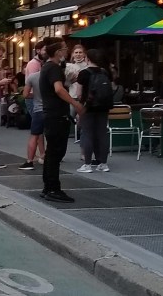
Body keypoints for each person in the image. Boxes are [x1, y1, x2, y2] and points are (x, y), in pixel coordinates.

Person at [39, 38, 85, 203]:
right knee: (56, 153)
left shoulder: (47, 67)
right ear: (58, 52)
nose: (67, 51)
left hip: (51, 114)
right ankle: (53, 188)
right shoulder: (54, 68)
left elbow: (57, 87)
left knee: (52, 153)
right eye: (65, 48)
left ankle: (48, 187)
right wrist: (75, 103)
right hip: (56, 115)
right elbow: (58, 89)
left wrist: (67, 83)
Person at [75, 49, 112, 173]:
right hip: (104, 106)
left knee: (87, 133)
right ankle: (103, 163)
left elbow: (79, 94)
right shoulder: (105, 72)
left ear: (87, 59)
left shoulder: (83, 73)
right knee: (102, 133)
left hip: (89, 106)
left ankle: (87, 164)